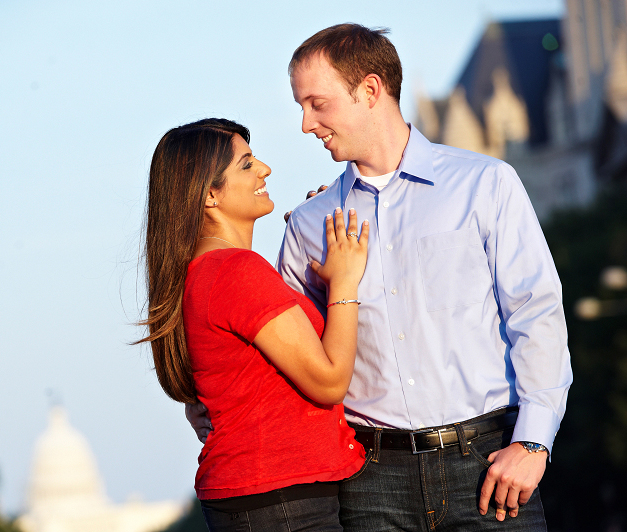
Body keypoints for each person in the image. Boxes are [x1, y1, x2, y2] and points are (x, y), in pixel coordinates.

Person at [187, 24, 572, 531]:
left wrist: (533, 441)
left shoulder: (484, 184)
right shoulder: (308, 224)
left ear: (370, 90)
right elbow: (288, 359)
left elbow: (535, 312)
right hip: (367, 480)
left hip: (488, 463)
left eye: (317, 104)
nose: (306, 124)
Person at [137, 118, 372, 531]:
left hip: (263, 496)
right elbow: (330, 381)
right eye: (246, 164)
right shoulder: (235, 270)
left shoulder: (208, 270)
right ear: (210, 194)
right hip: (280, 499)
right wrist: (345, 279)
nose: (264, 168)